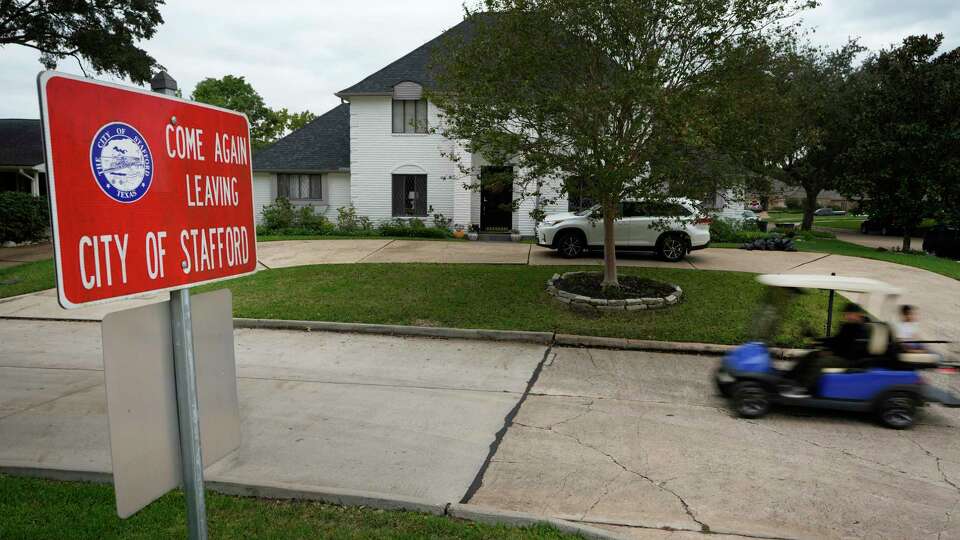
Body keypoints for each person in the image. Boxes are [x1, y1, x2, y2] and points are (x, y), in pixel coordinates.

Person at [783, 303, 870, 398]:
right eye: (845, 314)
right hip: (840, 354)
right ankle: (791, 379)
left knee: (821, 362)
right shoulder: (849, 326)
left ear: (857, 314)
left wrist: (831, 352)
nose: (846, 316)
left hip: (849, 360)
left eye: (848, 314)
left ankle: (804, 389)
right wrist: (818, 340)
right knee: (811, 355)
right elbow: (837, 340)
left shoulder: (863, 329)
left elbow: (852, 349)